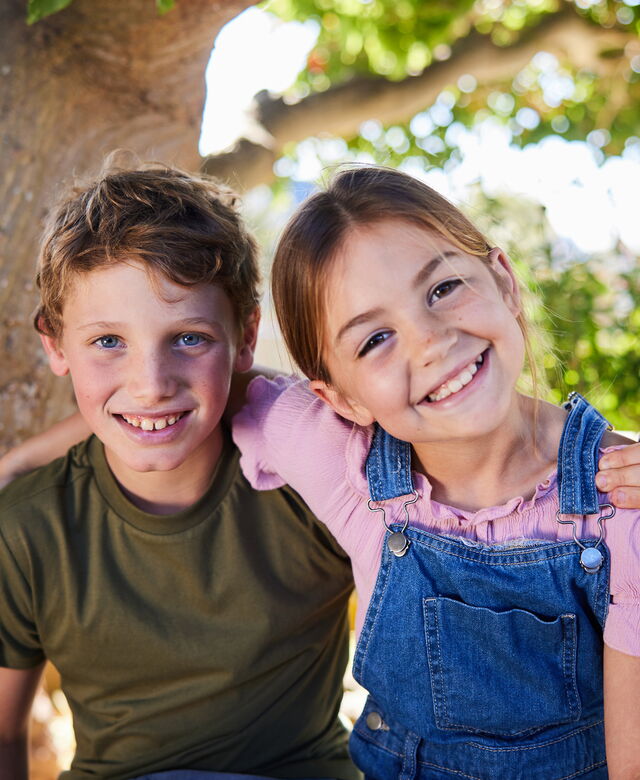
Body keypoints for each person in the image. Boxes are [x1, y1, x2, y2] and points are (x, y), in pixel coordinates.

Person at [227, 166, 640, 778]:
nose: (429, 341)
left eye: (443, 288)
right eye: (374, 339)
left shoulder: (621, 500)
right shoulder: (341, 463)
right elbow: (196, 390)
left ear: (504, 281)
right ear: (340, 398)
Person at [0, 165, 357, 780]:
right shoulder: (28, 528)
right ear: (55, 345)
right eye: (108, 342)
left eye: (189, 338)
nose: (151, 385)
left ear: (246, 336)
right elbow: (4, 733)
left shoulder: (314, 477)